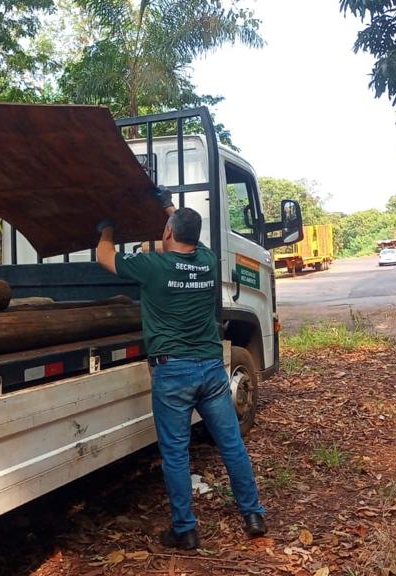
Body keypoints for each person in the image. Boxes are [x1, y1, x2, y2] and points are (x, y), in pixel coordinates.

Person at [94, 186, 266, 551]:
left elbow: (104, 257)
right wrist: (167, 204)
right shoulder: (207, 259)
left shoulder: (153, 266)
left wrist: (107, 227)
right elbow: (186, 232)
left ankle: (185, 530)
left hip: (173, 374)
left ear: (169, 232)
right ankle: (253, 515)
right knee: (231, 443)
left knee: (175, 452)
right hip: (210, 371)